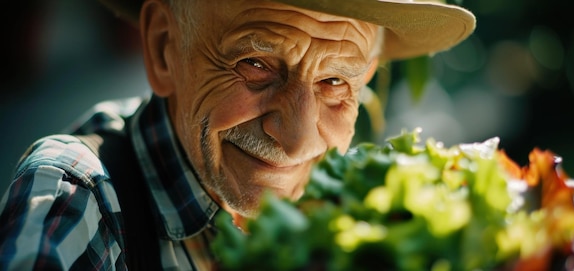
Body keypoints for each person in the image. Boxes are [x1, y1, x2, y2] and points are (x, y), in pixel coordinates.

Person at [0, 0, 475, 269]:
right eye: (256, 65)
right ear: (165, 48)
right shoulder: (78, 194)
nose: (297, 141)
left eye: (335, 81)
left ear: (365, 77)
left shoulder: (352, 214)